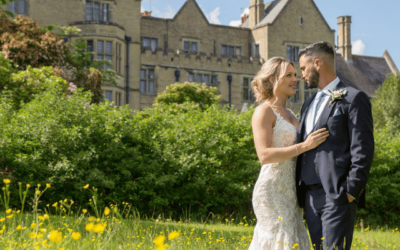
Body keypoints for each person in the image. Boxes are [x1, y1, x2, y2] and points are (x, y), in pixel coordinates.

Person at [296, 41, 374, 250]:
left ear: (318, 63)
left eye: (304, 68)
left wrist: (350, 191)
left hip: (338, 194)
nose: (302, 75)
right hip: (310, 197)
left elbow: (363, 149)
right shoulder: (307, 104)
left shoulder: (354, 98)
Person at [249, 57, 329, 250]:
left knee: (294, 239)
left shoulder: (292, 114)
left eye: (295, 75)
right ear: (273, 79)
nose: (295, 79)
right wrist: (304, 146)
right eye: (289, 75)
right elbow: (264, 155)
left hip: (292, 191)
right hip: (272, 190)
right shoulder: (264, 112)